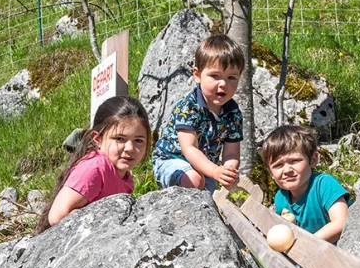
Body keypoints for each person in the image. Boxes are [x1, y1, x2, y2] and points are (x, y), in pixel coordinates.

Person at [36, 96, 151, 233]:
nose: (130, 148)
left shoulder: (123, 175)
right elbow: (57, 216)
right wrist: (96, 220)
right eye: (120, 139)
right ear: (98, 139)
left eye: (138, 140)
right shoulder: (94, 168)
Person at [152, 34, 245, 193]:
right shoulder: (189, 106)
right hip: (172, 162)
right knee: (194, 181)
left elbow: (231, 152)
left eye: (231, 77)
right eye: (215, 76)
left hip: (206, 169)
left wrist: (227, 171)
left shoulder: (233, 113)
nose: (223, 84)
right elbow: (189, 148)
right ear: (197, 75)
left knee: (210, 200)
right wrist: (215, 171)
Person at [261, 125, 351, 244]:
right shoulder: (280, 198)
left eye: (294, 161)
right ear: (270, 172)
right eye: (278, 165)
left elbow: (341, 223)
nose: (287, 170)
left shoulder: (324, 185)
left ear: (313, 160)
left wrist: (307, 244)